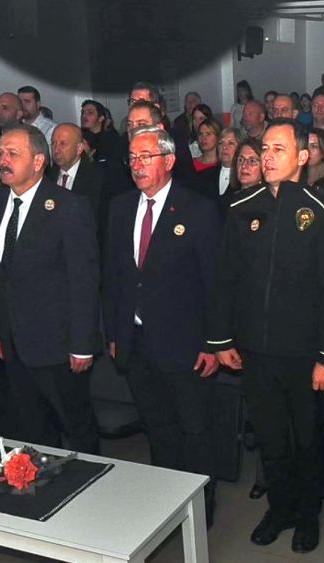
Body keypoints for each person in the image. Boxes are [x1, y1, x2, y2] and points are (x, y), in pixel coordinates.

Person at [207, 119, 324, 553]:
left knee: (307, 439)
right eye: (264, 149)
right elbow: (225, 279)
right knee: (270, 438)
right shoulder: (241, 206)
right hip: (256, 351)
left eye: (278, 149)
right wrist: (222, 340)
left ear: (302, 157)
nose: (267, 157)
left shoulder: (323, 212)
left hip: (305, 355)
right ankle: (280, 508)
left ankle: (307, 515)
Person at [103, 125, 222, 526]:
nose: (137, 165)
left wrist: (212, 342)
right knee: (158, 429)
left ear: (169, 161)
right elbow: (114, 277)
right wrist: (114, 334)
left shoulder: (198, 209)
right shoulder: (120, 208)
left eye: (145, 157)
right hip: (136, 343)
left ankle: (201, 509)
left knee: (194, 429)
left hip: (185, 345)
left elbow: (214, 283)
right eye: (132, 158)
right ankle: (169, 505)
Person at [0, 124, 101, 453]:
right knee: (32, 428)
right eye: (1, 153)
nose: (4, 161)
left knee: (75, 426)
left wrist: (82, 344)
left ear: (38, 161)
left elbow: (83, 280)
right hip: (13, 342)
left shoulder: (68, 206)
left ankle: (92, 480)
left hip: (58, 345)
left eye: (13, 154)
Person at [47, 123, 107, 231]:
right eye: (53, 143)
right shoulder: (47, 177)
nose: (56, 150)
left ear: (79, 148)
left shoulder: (97, 177)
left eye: (63, 144)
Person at [221, 137, 262, 209]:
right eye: (241, 160)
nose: (243, 166)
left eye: (252, 161)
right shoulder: (227, 198)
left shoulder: (266, 201)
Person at [80, 99, 121, 165]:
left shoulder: (111, 138)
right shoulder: (80, 136)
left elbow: (111, 166)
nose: (84, 116)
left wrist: (89, 157)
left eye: (90, 112)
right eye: (83, 113)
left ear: (101, 118)